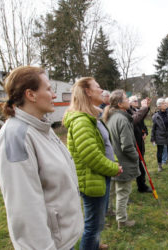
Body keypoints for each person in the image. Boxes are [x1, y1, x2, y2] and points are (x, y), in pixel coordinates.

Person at [0, 66, 84, 249]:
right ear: (31, 95)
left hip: (63, 240)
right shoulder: (16, 137)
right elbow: (24, 209)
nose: (54, 95)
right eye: (49, 89)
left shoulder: (41, 129)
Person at [63, 78, 122, 250]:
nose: (101, 89)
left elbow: (106, 144)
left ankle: (94, 245)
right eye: (97, 86)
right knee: (93, 225)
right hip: (92, 178)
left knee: (97, 222)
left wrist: (115, 162)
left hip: (100, 175)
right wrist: (113, 168)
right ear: (87, 92)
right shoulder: (81, 121)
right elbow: (92, 156)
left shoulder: (91, 117)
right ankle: (90, 245)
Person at [103, 90, 140, 229]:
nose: (129, 100)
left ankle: (107, 211)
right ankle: (122, 221)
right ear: (119, 104)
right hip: (123, 162)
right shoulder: (122, 119)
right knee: (123, 193)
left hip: (112, 160)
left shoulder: (110, 117)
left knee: (112, 190)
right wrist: (136, 157)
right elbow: (127, 146)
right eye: (126, 98)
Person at [127, 95, 152, 193]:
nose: (136, 102)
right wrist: (144, 108)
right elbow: (135, 119)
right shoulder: (127, 111)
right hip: (132, 143)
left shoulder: (135, 110)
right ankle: (126, 190)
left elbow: (141, 120)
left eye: (137, 101)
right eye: (134, 101)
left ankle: (142, 186)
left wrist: (144, 132)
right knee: (133, 166)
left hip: (139, 141)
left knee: (142, 164)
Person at [151, 98, 168, 172]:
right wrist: (152, 138)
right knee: (160, 151)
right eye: (163, 103)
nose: (165, 104)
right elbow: (153, 128)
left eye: (165, 103)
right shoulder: (155, 116)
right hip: (160, 137)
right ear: (159, 106)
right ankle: (159, 166)